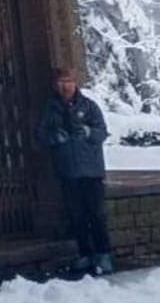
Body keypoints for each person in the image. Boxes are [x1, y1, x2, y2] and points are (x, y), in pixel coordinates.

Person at [35, 67, 114, 275]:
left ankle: (103, 254)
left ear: (75, 83)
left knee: (96, 214)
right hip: (67, 170)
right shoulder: (51, 109)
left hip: (91, 170)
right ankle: (84, 254)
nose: (65, 86)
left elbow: (102, 132)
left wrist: (88, 132)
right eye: (61, 81)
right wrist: (56, 138)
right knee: (76, 216)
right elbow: (42, 133)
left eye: (69, 81)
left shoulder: (89, 107)